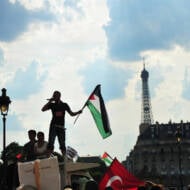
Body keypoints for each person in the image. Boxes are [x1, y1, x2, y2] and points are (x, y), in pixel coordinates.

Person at [41, 90, 82, 155]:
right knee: (51, 143)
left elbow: (71, 114)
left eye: (55, 95)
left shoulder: (64, 105)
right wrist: (49, 101)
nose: (54, 97)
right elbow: (43, 109)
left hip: (61, 127)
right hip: (53, 126)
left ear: (59, 96)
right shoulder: (52, 105)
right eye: (53, 95)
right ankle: (48, 158)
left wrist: (78, 112)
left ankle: (64, 159)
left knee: (62, 144)